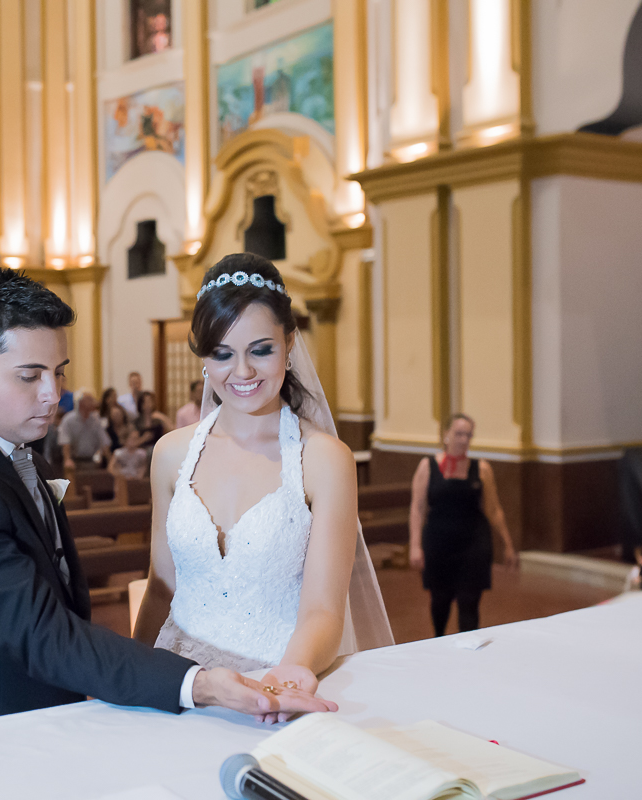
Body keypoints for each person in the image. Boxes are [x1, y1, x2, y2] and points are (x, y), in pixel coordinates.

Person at [0, 268, 329, 731]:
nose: (53, 394)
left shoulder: (23, 457)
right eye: (29, 376)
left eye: (58, 373)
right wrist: (198, 684)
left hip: (49, 718)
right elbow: (42, 633)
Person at [134, 254, 393, 718]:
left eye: (260, 349)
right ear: (204, 358)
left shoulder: (324, 460)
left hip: (276, 677)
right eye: (222, 353)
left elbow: (323, 610)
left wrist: (283, 681)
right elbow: (161, 586)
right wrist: (132, 676)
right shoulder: (170, 454)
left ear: (289, 344)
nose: (243, 372)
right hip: (180, 680)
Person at [409, 413, 518, 636]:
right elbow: (417, 508)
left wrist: (508, 544)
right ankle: (438, 641)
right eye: (459, 433)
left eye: (468, 435)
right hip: (438, 544)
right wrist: (414, 545)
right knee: (440, 601)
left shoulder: (482, 469)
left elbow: (494, 509)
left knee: (469, 603)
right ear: (445, 435)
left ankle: (468, 650)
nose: (463, 439)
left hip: (473, 545)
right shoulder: (427, 466)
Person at [58, 392, 109, 472]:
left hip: (91, 460)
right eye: (90, 401)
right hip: (74, 460)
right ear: (81, 404)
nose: (93, 403)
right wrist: (67, 459)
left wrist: (110, 461)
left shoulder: (95, 420)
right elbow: (65, 442)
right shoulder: (68, 420)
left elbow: (104, 441)